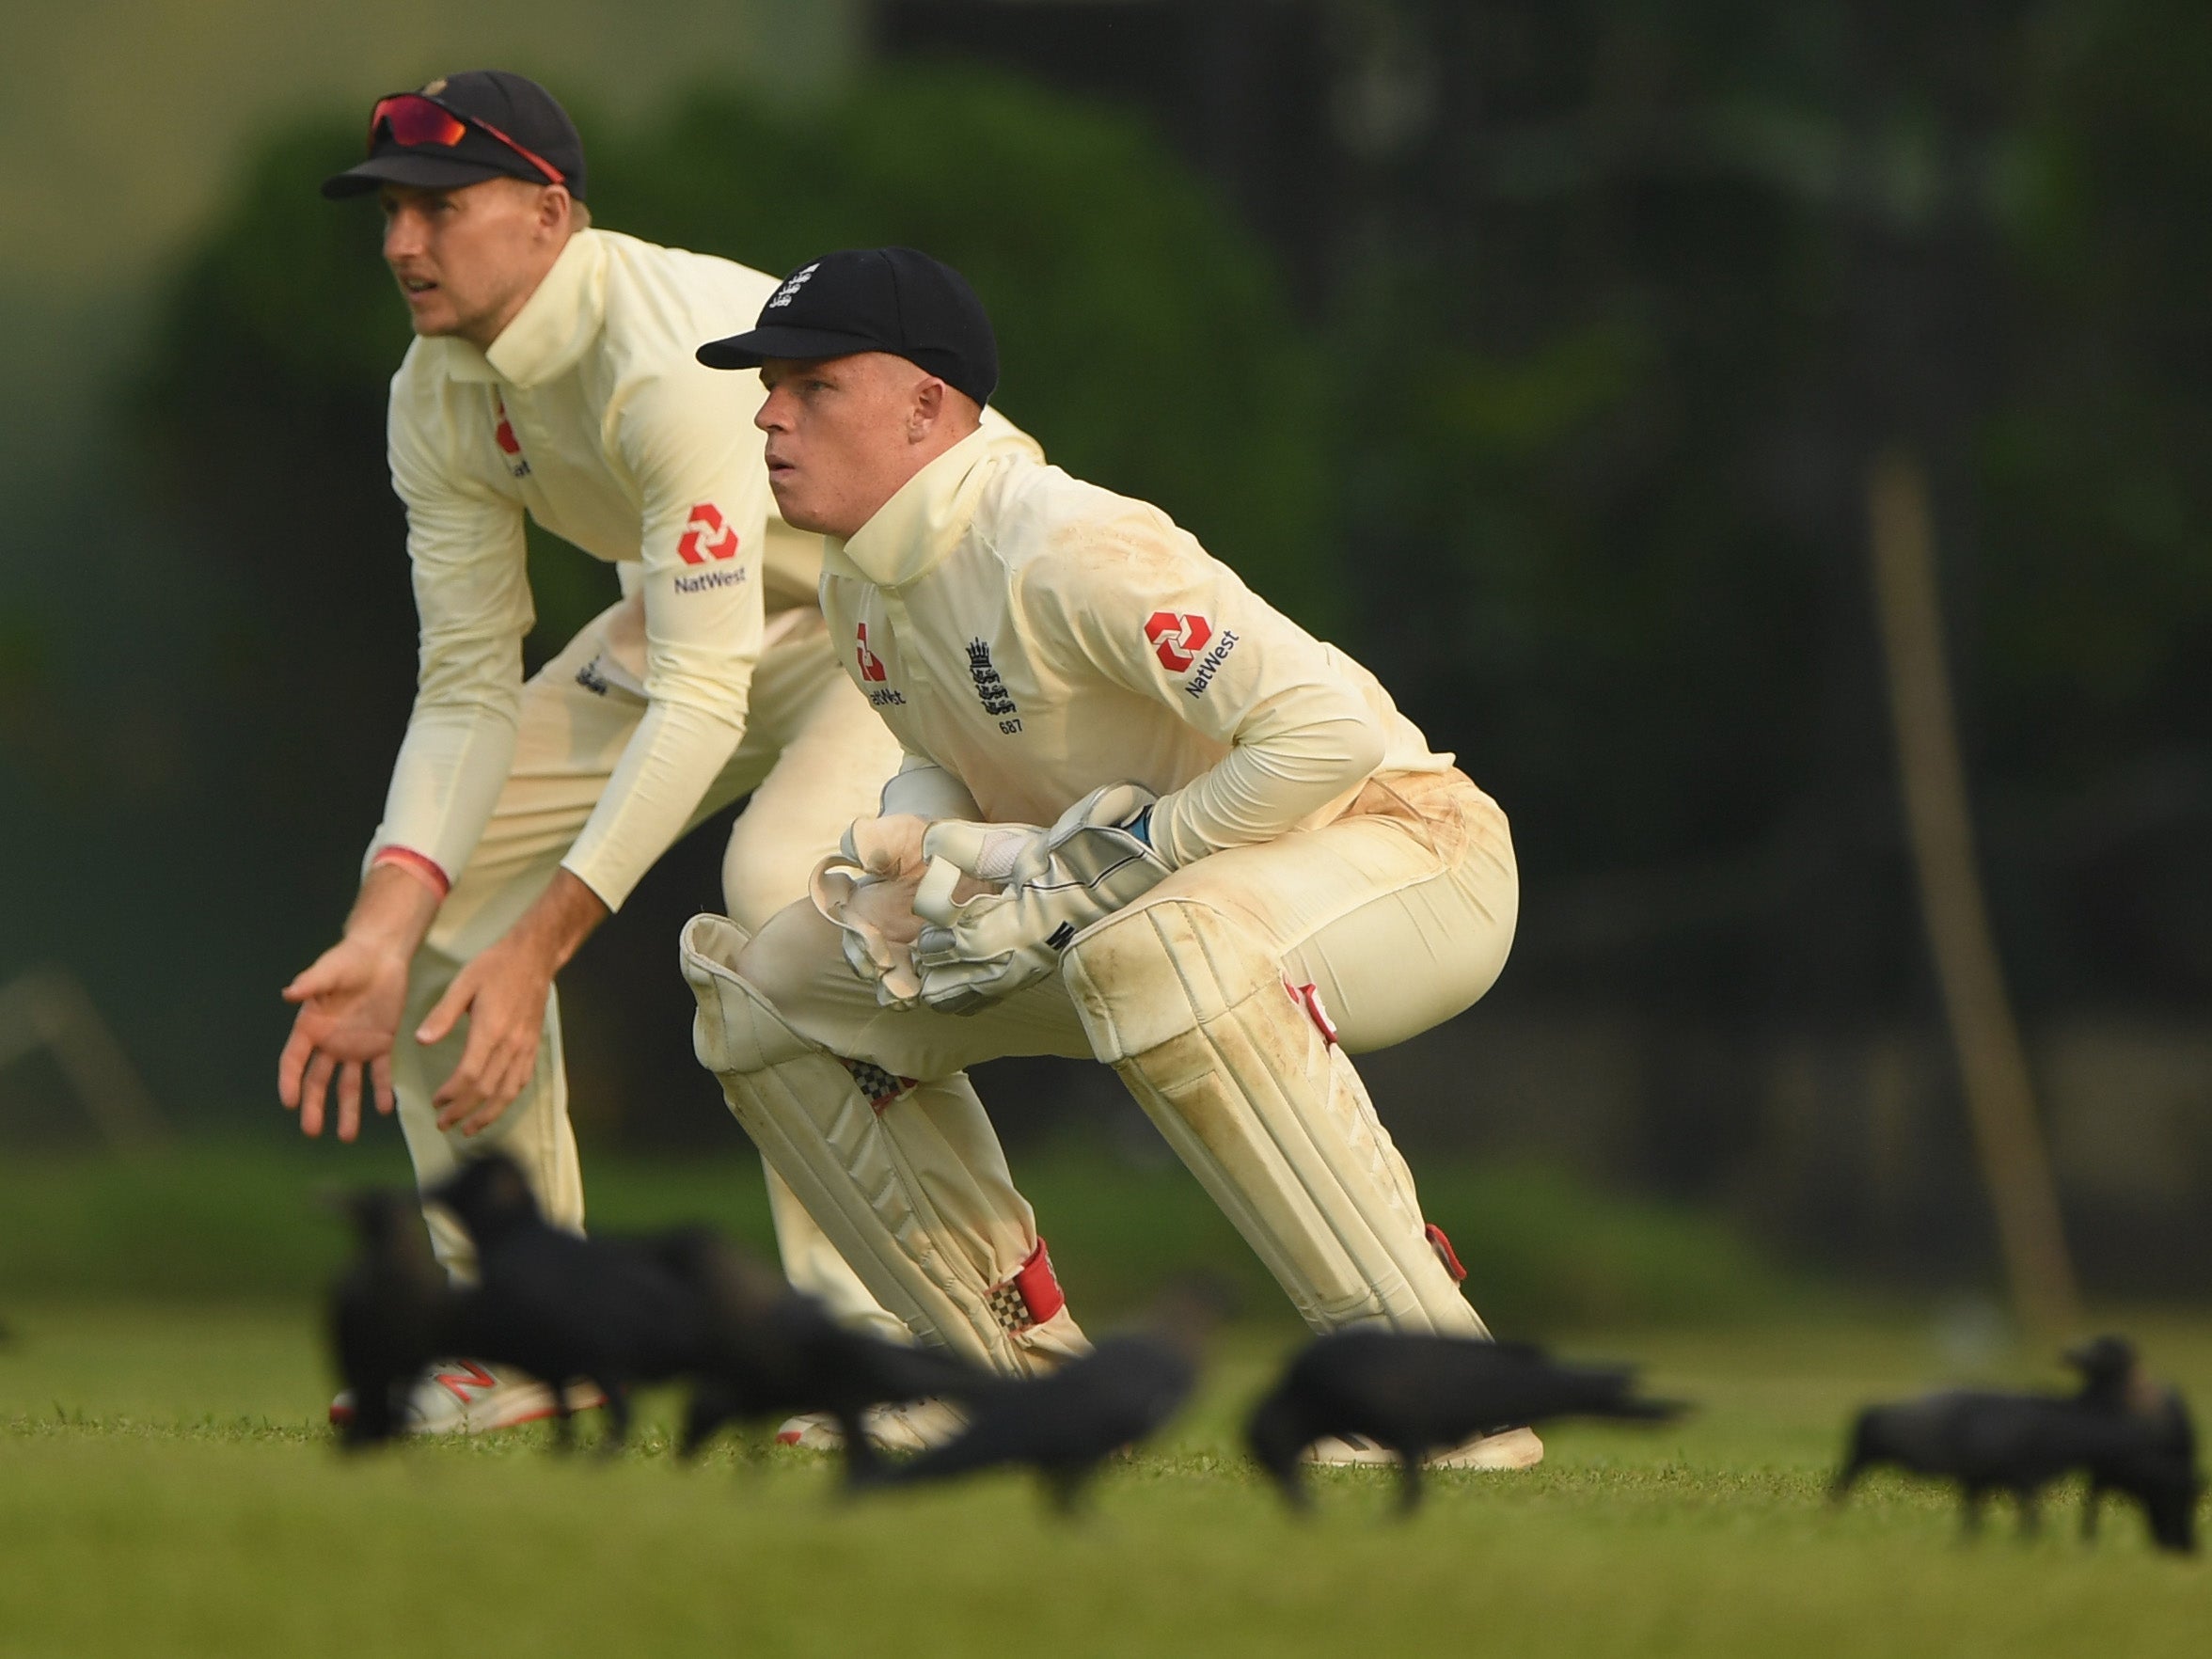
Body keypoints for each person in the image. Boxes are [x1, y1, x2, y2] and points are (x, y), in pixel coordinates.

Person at [678, 247, 1542, 1468]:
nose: (770, 413)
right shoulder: (861, 588)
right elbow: (959, 765)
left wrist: (1136, 855)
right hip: (1145, 909)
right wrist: (919, 849)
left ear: (927, 405)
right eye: (769, 385)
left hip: (1409, 849)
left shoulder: (1061, 542)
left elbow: (1330, 731)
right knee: (777, 990)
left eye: (814, 385)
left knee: (1164, 952)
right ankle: (996, 1376)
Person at [278, 72, 944, 1437]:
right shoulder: (436, 394)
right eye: (389, 214)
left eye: (440, 209)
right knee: (446, 893)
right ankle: (518, 1329)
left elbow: (695, 701)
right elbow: (466, 686)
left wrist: (541, 950)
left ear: (547, 212)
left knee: (779, 892)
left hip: (906, 603)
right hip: (725, 614)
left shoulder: (669, 357)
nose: (404, 244)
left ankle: (867, 1345)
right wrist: (387, 924)